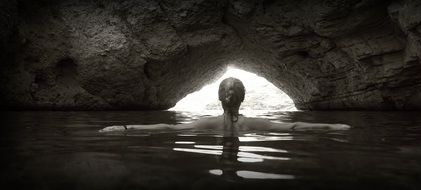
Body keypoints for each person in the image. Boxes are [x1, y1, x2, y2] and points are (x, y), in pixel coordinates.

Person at [100, 77, 350, 136]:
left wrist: (124, 127)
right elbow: (294, 126)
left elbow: (166, 127)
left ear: (220, 98)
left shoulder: (207, 124)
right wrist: (333, 125)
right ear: (243, 98)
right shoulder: (254, 124)